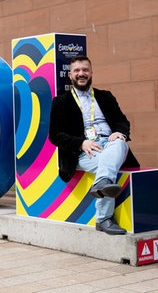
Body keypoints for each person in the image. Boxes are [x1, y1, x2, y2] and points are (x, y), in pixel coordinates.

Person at [48, 56, 139, 235]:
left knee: (119, 143)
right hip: (84, 152)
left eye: (85, 70)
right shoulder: (61, 102)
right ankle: (104, 213)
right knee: (107, 165)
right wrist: (81, 143)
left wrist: (119, 132)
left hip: (111, 143)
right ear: (70, 75)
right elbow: (55, 135)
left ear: (91, 73)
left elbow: (122, 121)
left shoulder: (105, 96)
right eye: (77, 71)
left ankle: (102, 204)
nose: (81, 74)